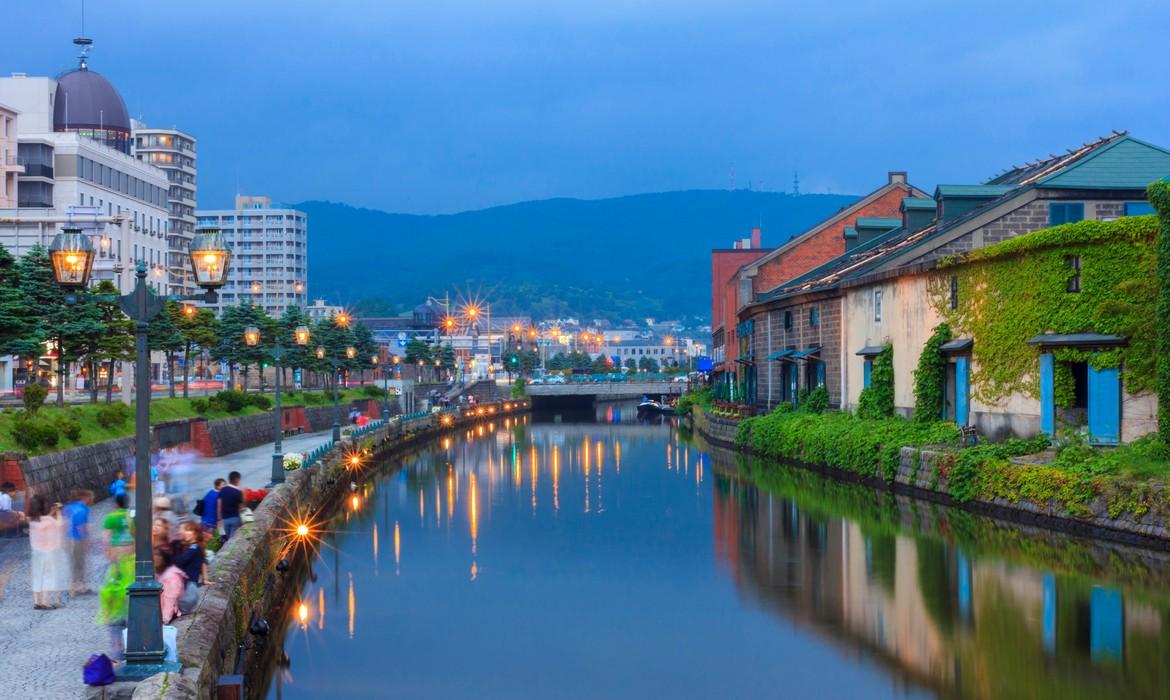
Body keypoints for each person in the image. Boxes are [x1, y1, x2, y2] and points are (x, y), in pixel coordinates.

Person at [27, 495, 67, 610]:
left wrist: (50, 513)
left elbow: (43, 521)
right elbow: (59, 524)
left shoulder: (32, 520)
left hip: (36, 552)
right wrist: (58, 512)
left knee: (37, 575)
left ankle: (37, 601)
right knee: (48, 576)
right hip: (48, 552)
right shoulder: (49, 521)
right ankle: (45, 602)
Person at [64, 489, 93, 595]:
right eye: (90, 497)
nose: (91, 499)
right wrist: (86, 541)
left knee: (72, 563)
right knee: (80, 563)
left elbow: (65, 524)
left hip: (68, 539)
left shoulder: (68, 507)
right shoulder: (83, 509)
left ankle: (74, 586)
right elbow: (81, 527)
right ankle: (78, 587)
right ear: (85, 497)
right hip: (77, 540)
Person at [154, 547, 187, 624]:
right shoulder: (158, 573)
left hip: (167, 616)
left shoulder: (172, 576)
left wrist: (164, 621)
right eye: (153, 554)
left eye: (158, 555)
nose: (154, 557)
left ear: (165, 558)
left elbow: (170, 601)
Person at [172, 521, 207, 587]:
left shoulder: (195, 547)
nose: (185, 533)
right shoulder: (189, 546)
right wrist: (205, 578)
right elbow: (203, 562)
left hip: (189, 585)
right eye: (185, 530)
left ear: (195, 534)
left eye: (189, 530)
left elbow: (182, 560)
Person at [102, 493, 133, 560]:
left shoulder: (111, 517)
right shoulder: (132, 515)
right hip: (132, 549)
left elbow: (105, 537)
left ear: (116, 504)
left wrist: (107, 551)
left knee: (118, 569)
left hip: (117, 550)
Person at [218, 471, 244, 541]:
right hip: (234, 518)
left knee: (228, 538)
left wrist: (219, 518)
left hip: (225, 519)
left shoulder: (222, 490)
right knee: (233, 540)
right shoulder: (237, 492)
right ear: (237, 479)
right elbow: (241, 507)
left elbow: (219, 505)